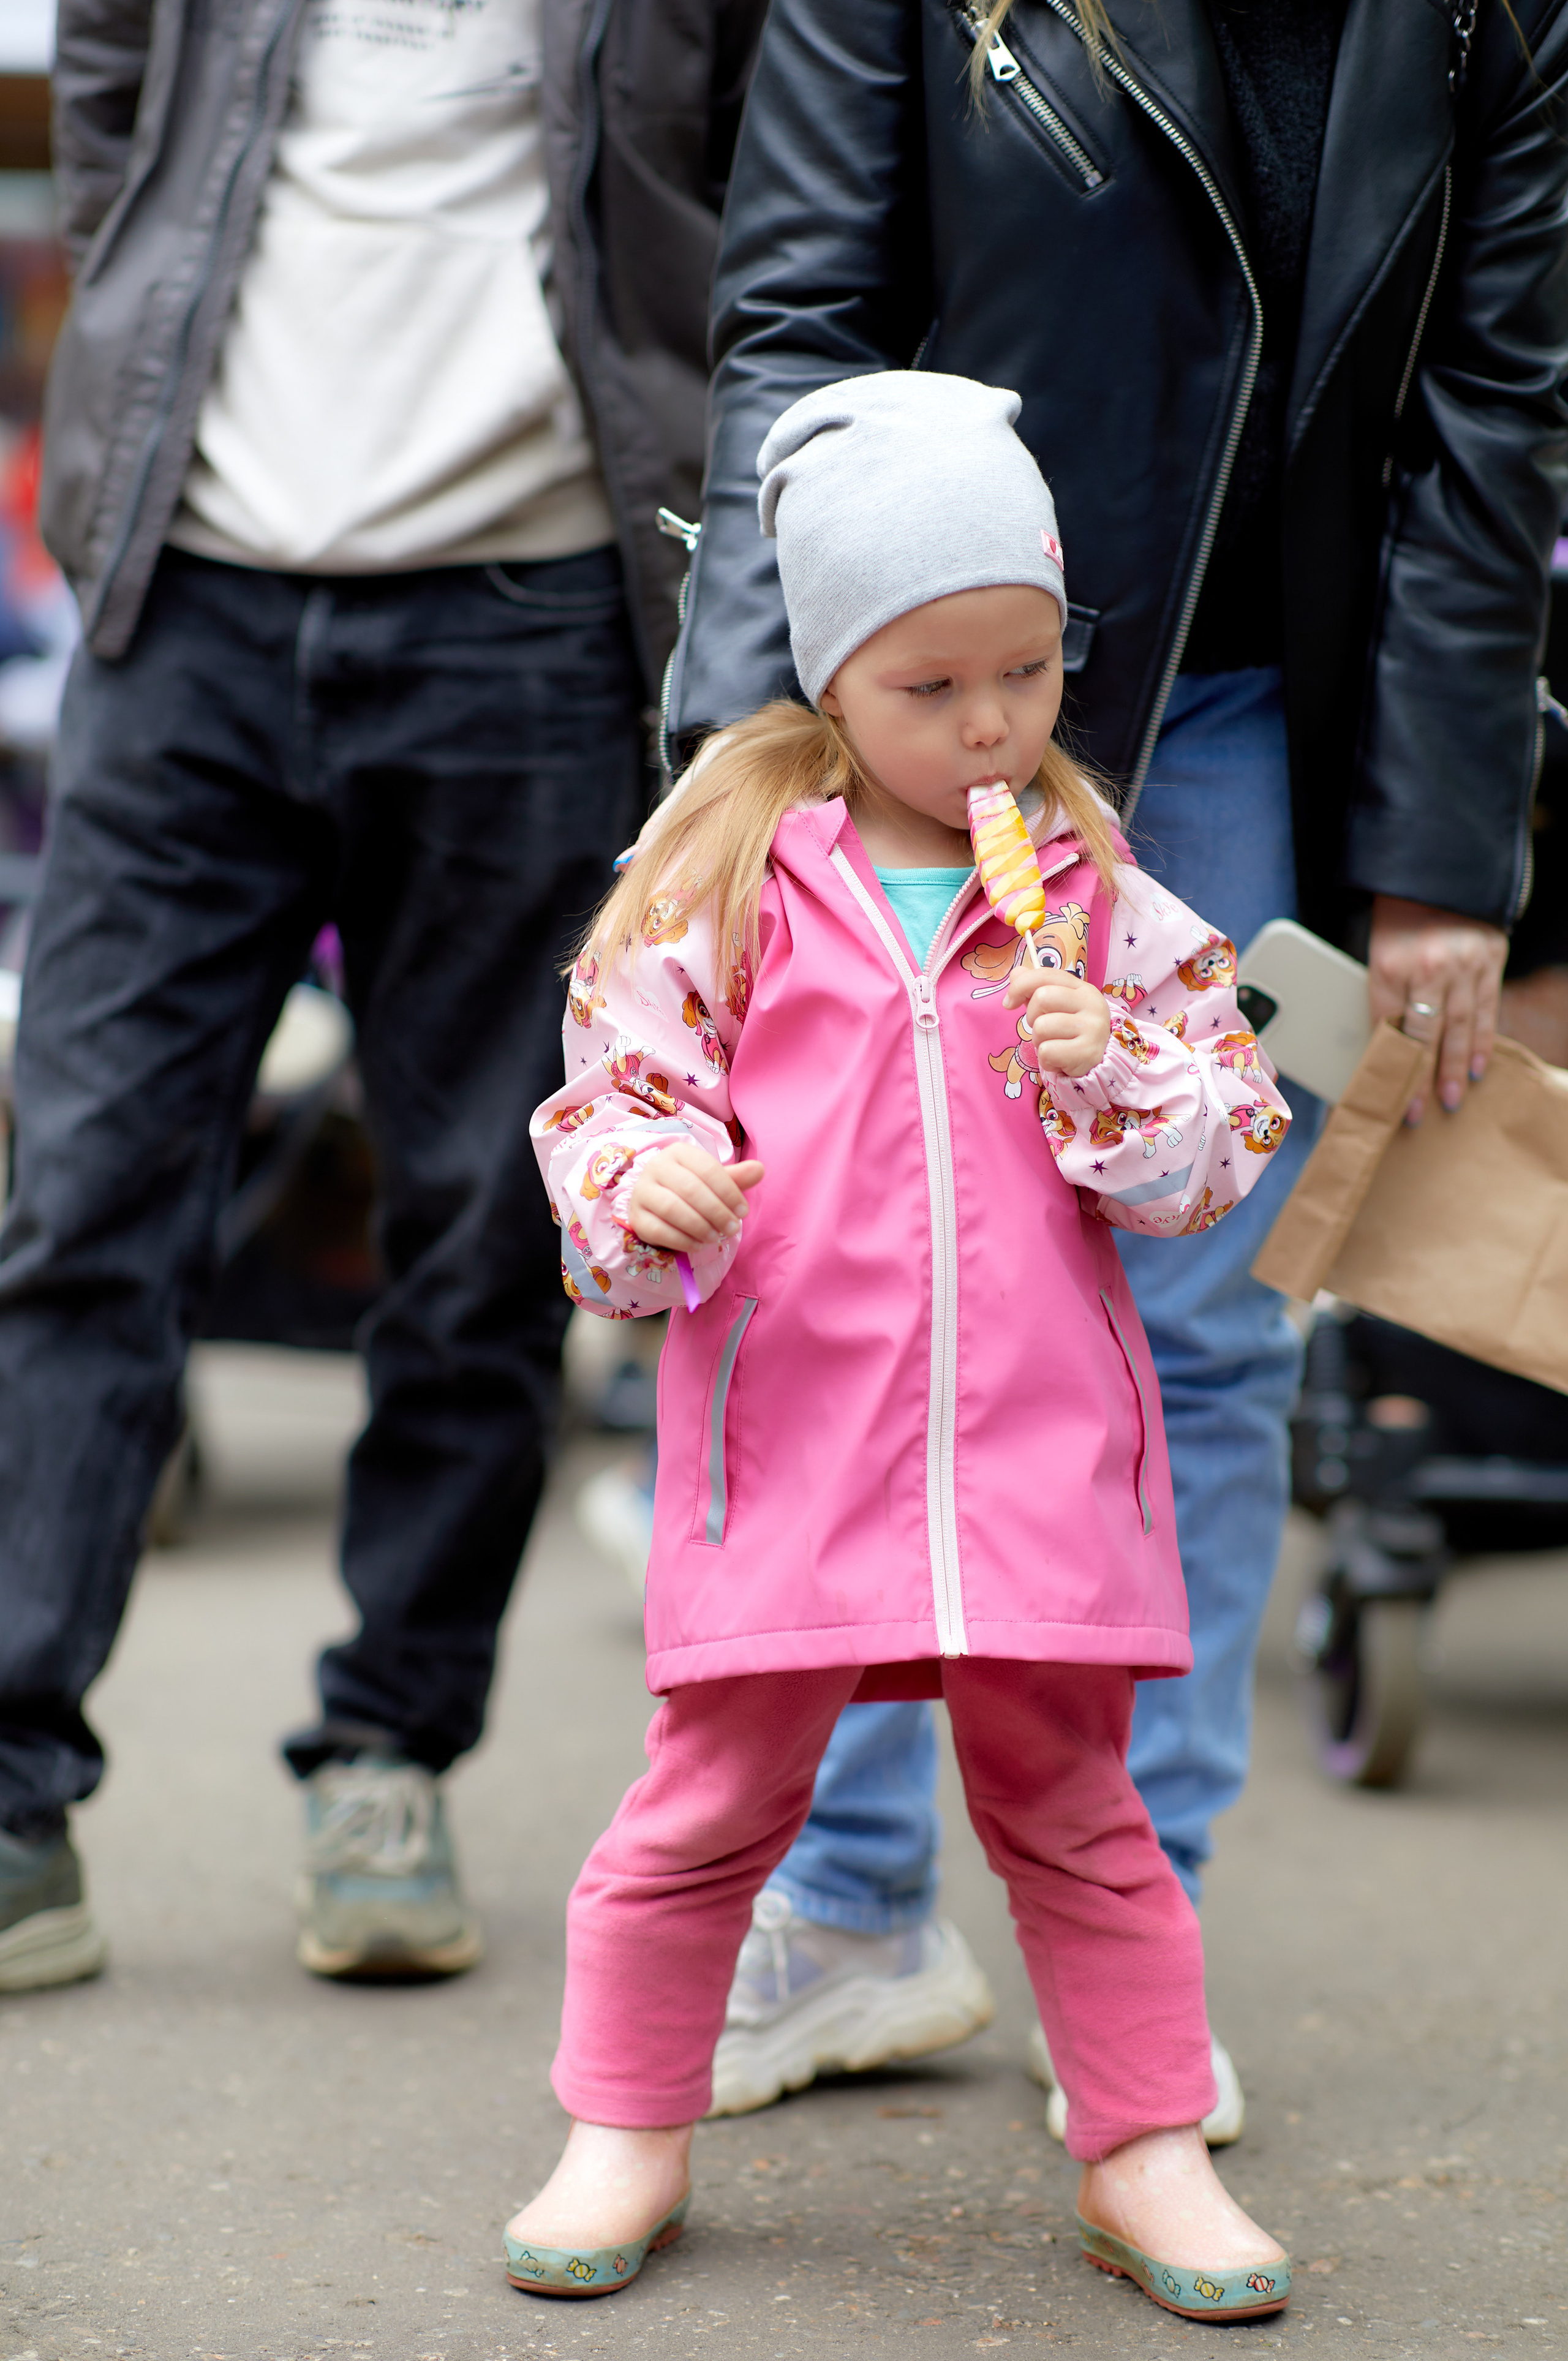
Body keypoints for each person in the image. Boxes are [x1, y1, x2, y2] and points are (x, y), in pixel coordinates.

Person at [660, 0, 1568, 2133]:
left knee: (1201, 1337)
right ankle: (857, 1902)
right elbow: (795, 320)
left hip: (1249, 702)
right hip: (908, 697)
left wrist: (1439, 848)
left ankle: (1125, 1941)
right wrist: (735, 764)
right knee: (859, 1295)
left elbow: (1492, 408)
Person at [510, 370, 1294, 2321]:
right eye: (929, 685)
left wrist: (1115, 1076)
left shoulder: (1097, 896)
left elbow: (1223, 1146)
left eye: (1025, 672)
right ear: (828, 676)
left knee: (1083, 1817)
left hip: (1035, 1456)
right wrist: (653, 1179)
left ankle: (1142, 2143)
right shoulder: (723, 881)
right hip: (783, 1440)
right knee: (706, 1803)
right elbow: (608, 1098)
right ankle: (626, 2121)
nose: (991, 726)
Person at [0, 0, 767, 1990]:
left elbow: (759, 185)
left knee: (479, 1226)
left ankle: (388, 1749)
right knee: (84, 1204)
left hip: (532, 616)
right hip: (191, 607)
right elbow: (112, 109)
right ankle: (9, 1783)